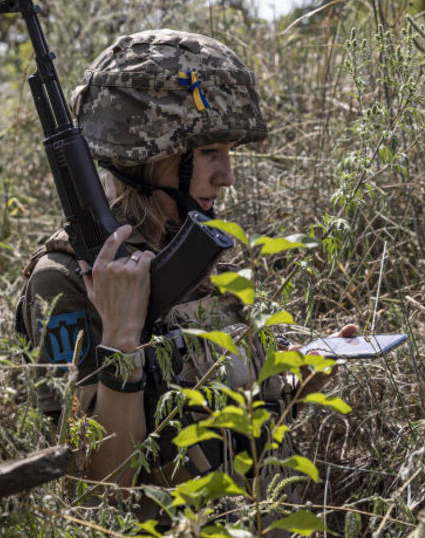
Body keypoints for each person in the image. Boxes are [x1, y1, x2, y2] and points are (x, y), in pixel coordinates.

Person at [18, 29, 354, 488]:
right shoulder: (65, 281)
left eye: (229, 153)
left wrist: (293, 385)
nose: (227, 176)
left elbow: (228, 433)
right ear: (148, 157)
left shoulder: (192, 257)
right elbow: (98, 483)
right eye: (210, 153)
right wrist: (121, 339)